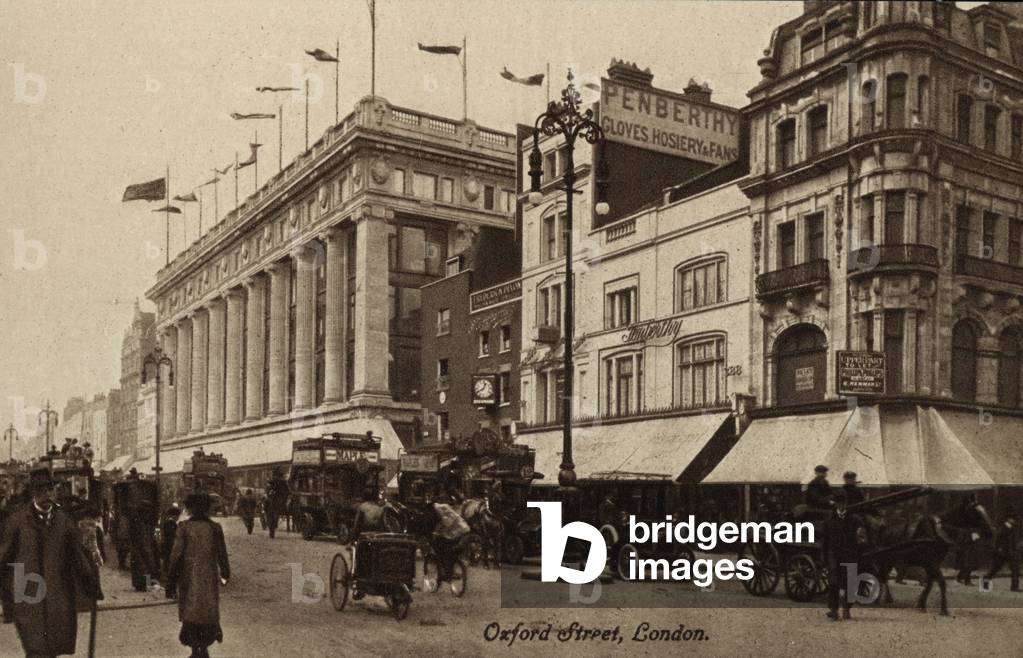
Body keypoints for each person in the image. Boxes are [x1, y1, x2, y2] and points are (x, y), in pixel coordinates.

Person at [0, 465, 103, 656]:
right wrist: (7, 598)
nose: (47, 494)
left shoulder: (64, 521)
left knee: (53, 649)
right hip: (28, 599)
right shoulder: (17, 521)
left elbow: (78, 556)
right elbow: (3, 559)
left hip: (58, 600)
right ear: (33, 492)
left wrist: (91, 583)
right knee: (37, 650)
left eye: (49, 489)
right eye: (41, 490)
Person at [167, 493, 231, 658]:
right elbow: (222, 553)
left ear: (190, 509)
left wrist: (171, 579)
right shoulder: (214, 528)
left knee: (191, 612)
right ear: (208, 508)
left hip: (189, 577)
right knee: (207, 611)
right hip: (208, 577)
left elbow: (176, 555)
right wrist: (225, 572)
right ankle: (203, 648)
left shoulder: (184, 527)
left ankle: (196, 650)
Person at [431, 500, 470, 590]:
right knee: (453, 552)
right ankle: (452, 570)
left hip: (456, 533)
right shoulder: (448, 509)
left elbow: (445, 523)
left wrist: (437, 532)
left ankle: (448, 573)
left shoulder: (439, 511)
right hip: (465, 531)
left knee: (444, 550)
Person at [983, 513, 1020, 592]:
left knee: (1015, 569)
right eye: (1013, 519)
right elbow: (997, 540)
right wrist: (998, 549)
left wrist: (1014, 550)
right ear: (1008, 519)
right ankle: (986, 579)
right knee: (995, 568)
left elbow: (1012, 541)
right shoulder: (1002, 528)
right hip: (1002, 552)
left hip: (1010, 552)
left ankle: (1014, 587)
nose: (1014, 520)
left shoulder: (1012, 528)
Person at [955, 494, 980, 585]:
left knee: (967, 559)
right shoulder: (969, 511)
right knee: (968, 560)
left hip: (965, 537)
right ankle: (967, 580)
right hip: (967, 537)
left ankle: (960, 577)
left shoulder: (963, 510)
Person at [265, 468, 290, 539]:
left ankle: (271, 526)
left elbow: (268, 490)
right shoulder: (283, 481)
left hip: (274, 500)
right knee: (274, 513)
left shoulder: (272, 480)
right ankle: (273, 525)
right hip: (281, 500)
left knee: (268, 508)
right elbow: (288, 491)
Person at [161, 504, 182, 579]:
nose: (178, 517)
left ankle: (166, 574)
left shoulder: (168, 523)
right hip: (170, 545)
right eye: (178, 516)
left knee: (167, 560)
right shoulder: (171, 524)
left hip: (167, 545)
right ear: (174, 515)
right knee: (169, 561)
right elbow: (171, 536)